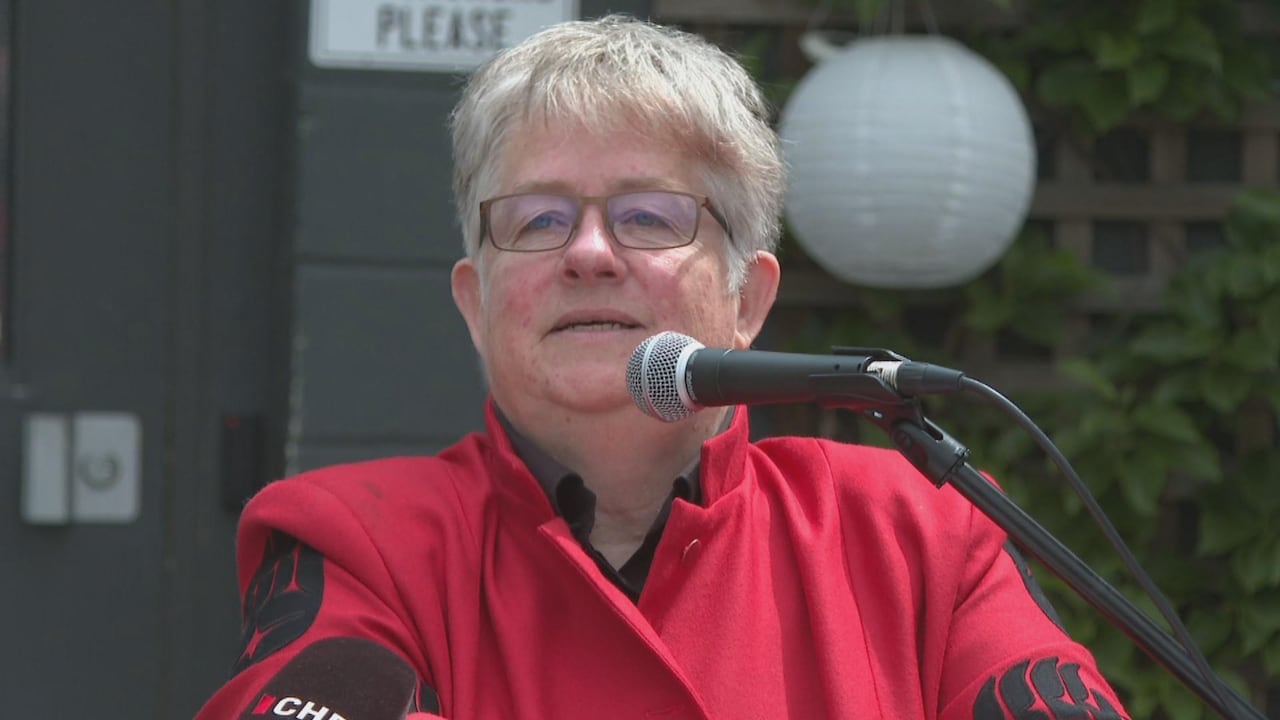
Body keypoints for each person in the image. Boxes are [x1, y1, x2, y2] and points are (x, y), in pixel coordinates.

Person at [196, 15, 1129, 720]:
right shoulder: (357, 538)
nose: (590, 253)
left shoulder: (921, 530)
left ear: (748, 302)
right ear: (474, 304)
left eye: (649, 216)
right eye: (537, 219)